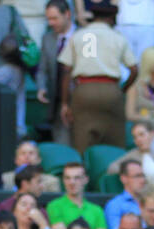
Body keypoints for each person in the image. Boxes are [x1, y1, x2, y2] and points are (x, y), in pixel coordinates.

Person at [58, 0, 136, 154]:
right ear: (111, 18)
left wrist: (65, 102)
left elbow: (66, 70)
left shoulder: (80, 35)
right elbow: (134, 69)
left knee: (82, 141)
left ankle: (83, 172)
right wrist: (122, 90)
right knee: (115, 144)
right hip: (111, 90)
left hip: (84, 89)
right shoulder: (117, 37)